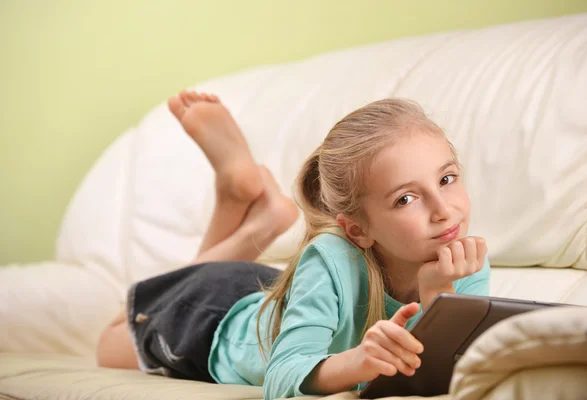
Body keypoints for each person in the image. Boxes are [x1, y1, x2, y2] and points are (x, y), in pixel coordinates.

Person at [96, 90, 490, 400]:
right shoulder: (331, 257)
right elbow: (280, 378)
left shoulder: (463, 263)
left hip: (267, 288)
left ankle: (251, 206)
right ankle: (238, 198)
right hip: (211, 320)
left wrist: (440, 293)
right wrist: (357, 362)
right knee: (109, 344)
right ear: (357, 230)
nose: (443, 210)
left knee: (197, 281)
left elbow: (437, 376)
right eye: (406, 198)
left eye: (447, 179)